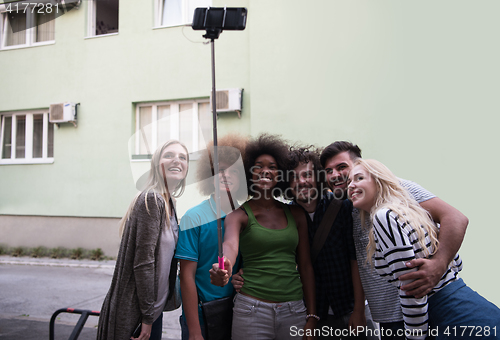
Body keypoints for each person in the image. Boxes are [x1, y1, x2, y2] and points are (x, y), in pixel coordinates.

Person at [320, 141, 468, 339]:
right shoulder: (350, 205)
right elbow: (360, 262)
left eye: (341, 167)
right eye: (328, 171)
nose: (334, 175)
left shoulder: (394, 187)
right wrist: (359, 310)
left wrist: (439, 265)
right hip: (388, 318)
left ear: (359, 165)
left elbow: (455, 218)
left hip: (420, 309)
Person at [347, 158, 500, 339]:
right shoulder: (408, 209)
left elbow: (411, 291)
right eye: (350, 181)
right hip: (472, 305)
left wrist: (414, 336)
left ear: (379, 181)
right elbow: (456, 262)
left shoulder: (384, 217)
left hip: (452, 317)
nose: (351, 185)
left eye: (359, 178)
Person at [212, 134, 317, 340]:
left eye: (273, 167)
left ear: (281, 175)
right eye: (259, 166)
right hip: (251, 310)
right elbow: (230, 246)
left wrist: (312, 315)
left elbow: (305, 266)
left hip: (294, 311)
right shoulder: (238, 215)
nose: (265, 171)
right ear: (249, 173)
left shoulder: (296, 214)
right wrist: (224, 267)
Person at [97, 140, 189, 340]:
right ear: (157, 163)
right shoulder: (152, 200)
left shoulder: (169, 202)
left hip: (151, 311)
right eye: (169, 155)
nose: (177, 160)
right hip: (136, 313)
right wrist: (147, 318)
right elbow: (144, 263)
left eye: (183, 157)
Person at [175, 134, 247, 340]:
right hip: (202, 315)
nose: (226, 175)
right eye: (221, 169)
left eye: (234, 170)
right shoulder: (193, 217)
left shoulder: (247, 216)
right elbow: (186, 277)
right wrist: (195, 331)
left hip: (240, 313)